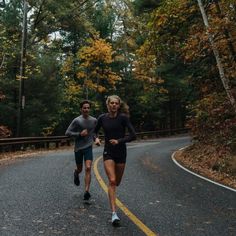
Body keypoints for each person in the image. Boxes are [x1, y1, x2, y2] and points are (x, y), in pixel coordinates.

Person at [94, 95, 136, 226]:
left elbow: (133, 135)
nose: (113, 105)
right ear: (107, 105)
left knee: (117, 182)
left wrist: (119, 141)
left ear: (118, 105)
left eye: (116, 103)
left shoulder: (123, 118)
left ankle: (114, 209)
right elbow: (94, 132)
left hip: (121, 153)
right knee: (112, 181)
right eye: (111, 103)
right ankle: (114, 214)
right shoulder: (102, 118)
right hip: (108, 152)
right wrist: (95, 139)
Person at [65, 100, 97, 201]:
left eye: (88, 108)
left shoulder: (94, 120)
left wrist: (96, 139)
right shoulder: (77, 120)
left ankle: (86, 191)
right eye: (84, 108)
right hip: (78, 148)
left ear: (89, 109)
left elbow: (94, 133)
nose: (86, 109)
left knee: (88, 168)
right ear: (81, 109)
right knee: (80, 169)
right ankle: (76, 172)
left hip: (88, 147)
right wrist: (79, 134)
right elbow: (67, 132)